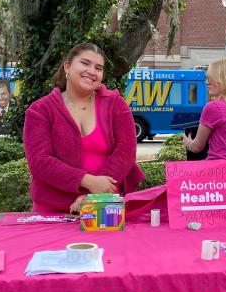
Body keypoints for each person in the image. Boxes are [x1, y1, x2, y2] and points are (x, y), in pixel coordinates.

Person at [23, 42, 143, 214]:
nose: (92, 71)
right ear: (67, 66)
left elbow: (125, 153)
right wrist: (87, 181)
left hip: (104, 205)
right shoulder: (40, 110)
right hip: (53, 209)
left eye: (98, 68)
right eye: (85, 63)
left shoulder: (116, 105)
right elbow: (39, 161)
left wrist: (91, 197)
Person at [182, 58, 226, 160]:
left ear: (225, 80)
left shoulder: (214, 106)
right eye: (207, 78)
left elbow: (197, 147)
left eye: (211, 79)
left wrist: (188, 143)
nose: (207, 82)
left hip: (215, 172)